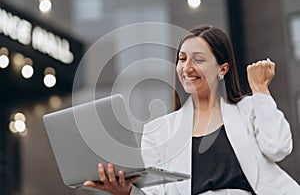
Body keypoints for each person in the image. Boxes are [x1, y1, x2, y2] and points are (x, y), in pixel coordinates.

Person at [83, 25, 300, 194]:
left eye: (198, 59)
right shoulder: (158, 131)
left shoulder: (249, 109)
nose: (187, 67)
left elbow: (278, 147)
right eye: (182, 59)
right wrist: (127, 192)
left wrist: (260, 89)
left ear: (222, 69)